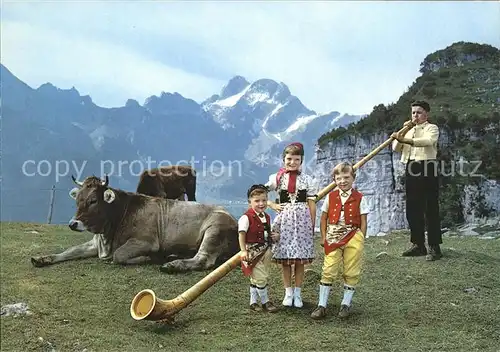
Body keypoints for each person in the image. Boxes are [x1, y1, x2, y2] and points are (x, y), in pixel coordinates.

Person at [310, 162, 369, 319]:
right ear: (334, 180)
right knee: (328, 268)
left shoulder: (360, 198)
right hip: (333, 235)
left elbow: (363, 220)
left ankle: (345, 305)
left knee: (351, 269)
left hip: (353, 235)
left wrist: (361, 237)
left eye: (346, 177)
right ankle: (321, 305)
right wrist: (324, 237)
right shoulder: (331, 197)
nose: (343, 181)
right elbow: (324, 218)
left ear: (353, 178)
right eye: (339, 178)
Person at [265, 142, 317, 308]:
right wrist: (271, 205)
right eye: (289, 159)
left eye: (296, 159)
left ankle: (298, 293)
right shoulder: (277, 178)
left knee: (300, 261)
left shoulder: (308, 180)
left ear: (301, 160)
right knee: (286, 260)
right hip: (285, 221)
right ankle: (288, 293)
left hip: (302, 222)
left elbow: (312, 204)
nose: (292, 162)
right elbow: (259, 192)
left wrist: (312, 225)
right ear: (283, 159)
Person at [391, 100, 442, 261]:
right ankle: (418, 244)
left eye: (419, 112)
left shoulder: (431, 128)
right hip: (411, 167)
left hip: (428, 166)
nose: (415, 115)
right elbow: (395, 148)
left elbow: (428, 142)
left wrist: (406, 140)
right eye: (413, 112)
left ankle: (434, 246)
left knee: (430, 207)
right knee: (413, 207)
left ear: (426, 114)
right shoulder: (408, 130)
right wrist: (401, 133)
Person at [238, 184, 279, 313]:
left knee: (260, 277)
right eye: (257, 201)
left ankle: (253, 302)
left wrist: (274, 235)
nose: (261, 204)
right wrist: (243, 250)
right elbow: (241, 234)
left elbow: (265, 232)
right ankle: (266, 301)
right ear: (250, 202)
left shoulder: (266, 216)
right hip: (252, 251)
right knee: (260, 277)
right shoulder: (246, 217)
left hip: (265, 250)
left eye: (264, 200)